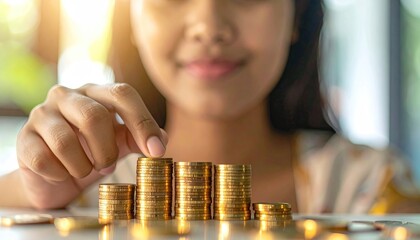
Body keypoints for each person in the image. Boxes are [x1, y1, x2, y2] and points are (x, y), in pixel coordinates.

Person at [0, 0, 418, 213]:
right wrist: (30, 195)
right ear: (133, 21)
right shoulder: (81, 185)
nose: (209, 27)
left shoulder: (369, 181)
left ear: (296, 16)